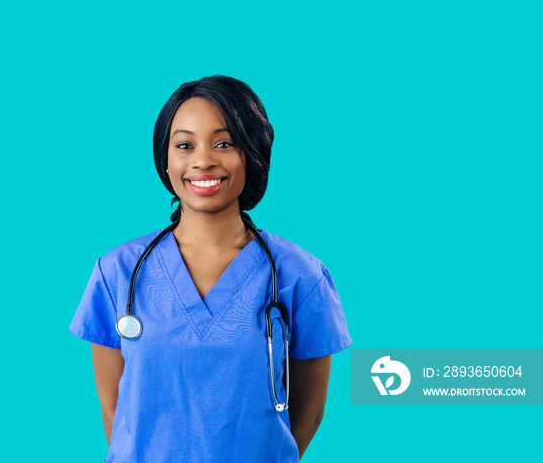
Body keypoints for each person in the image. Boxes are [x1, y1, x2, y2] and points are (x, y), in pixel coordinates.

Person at [69, 75, 351, 462]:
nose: (203, 160)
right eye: (185, 145)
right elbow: (114, 410)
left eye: (224, 143)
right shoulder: (117, 272)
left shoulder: (299, 276)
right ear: (165, 161)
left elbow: (309, 412)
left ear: (251, 154)